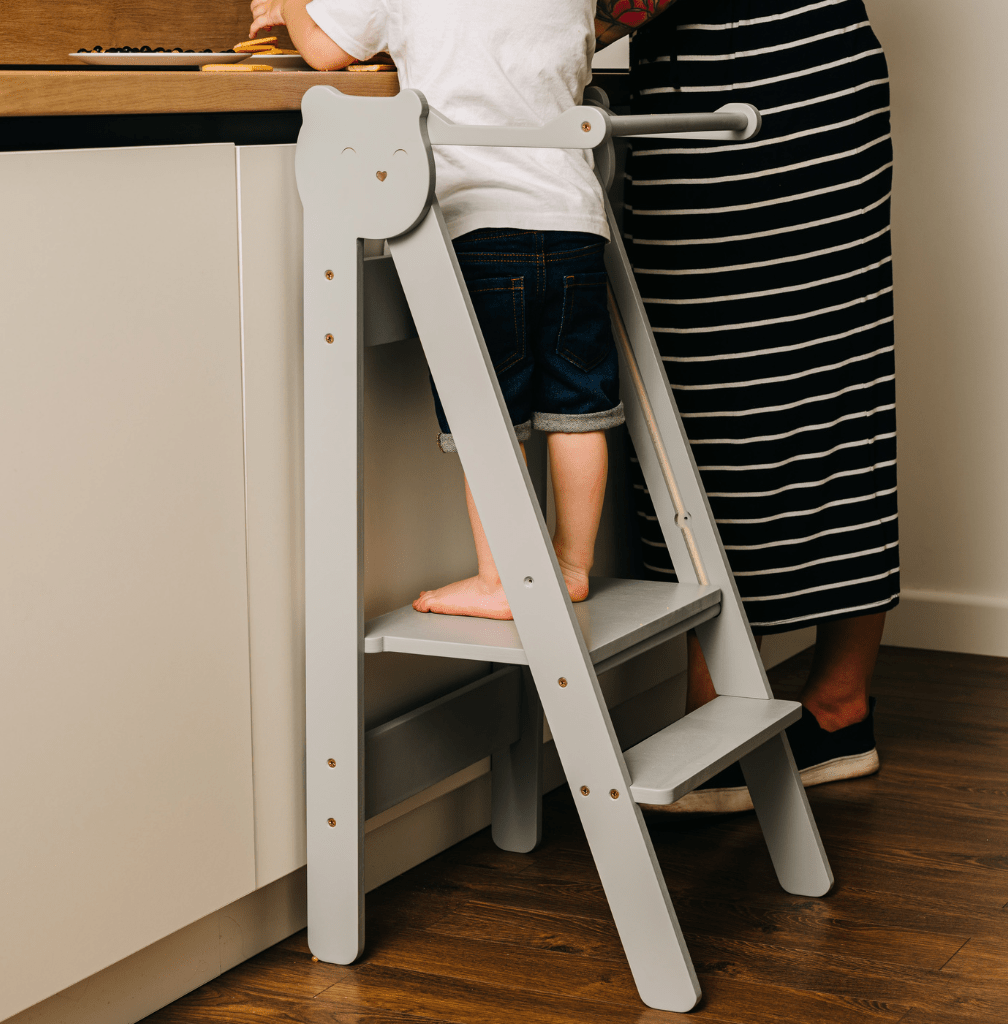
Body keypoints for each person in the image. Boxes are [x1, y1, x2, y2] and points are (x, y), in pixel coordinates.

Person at [596, 0, 898, 812]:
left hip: (757, 81)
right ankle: (830, 706)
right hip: (778, 70)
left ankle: (745, 715)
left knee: (730, 390)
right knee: (817, 372)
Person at [249, 0, 625, 621]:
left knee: (490, 414)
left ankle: (501, 577)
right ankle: (572, 564)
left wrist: (293, 4)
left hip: (479, 226)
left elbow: (324, 51)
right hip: (573, 222)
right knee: (578, 406)